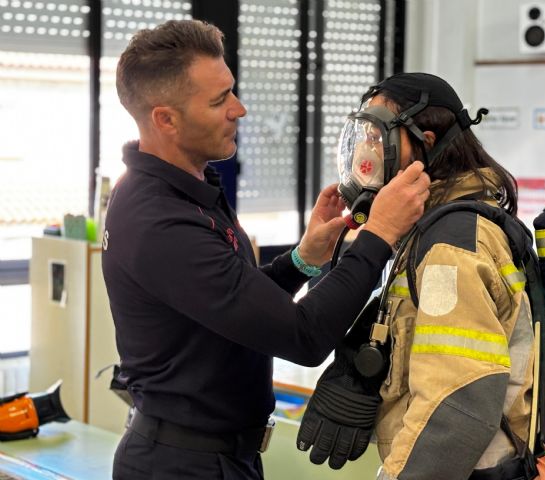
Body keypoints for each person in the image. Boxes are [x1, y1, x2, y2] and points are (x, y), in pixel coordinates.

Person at [101, 19, 430, 480]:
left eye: (231, 91)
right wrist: (379, 234)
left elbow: (235, 303)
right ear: (166, 119)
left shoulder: (190, 189)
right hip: (182, 466)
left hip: (220, 459)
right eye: (219, 101)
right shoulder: (157, 219)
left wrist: (302, 260)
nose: (240, 109)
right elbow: (303, 336)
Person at [299, 72, 535, 479]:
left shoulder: (452, 246)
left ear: (426, 143)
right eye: (364, 137)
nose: (366, 154)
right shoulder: (429, 230)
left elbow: (457, 403)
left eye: (378, 137)